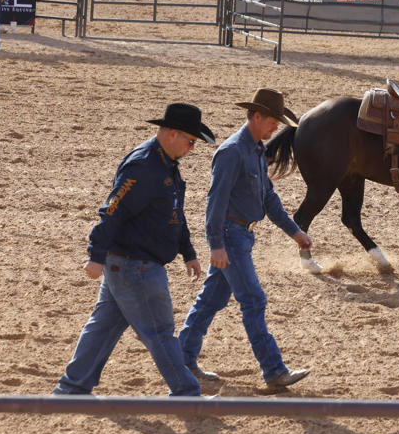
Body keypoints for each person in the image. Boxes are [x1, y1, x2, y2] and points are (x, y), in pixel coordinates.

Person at [53, 103, 215, 397]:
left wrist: (187, 251)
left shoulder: (165, 163)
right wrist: (95, 255)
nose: (193, 148)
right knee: (160, 331)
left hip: (129, 264)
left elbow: (174, 213)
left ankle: (71, 389)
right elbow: (112, 211)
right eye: (191, 141)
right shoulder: (144, 167)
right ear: (172, 134)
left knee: (103, 328)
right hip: (134, 265)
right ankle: (187, 394)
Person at [179, 88, 313, 389]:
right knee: (253, 299)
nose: (276, 127)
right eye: (273, 121)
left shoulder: (254, 150)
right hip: (231, 236)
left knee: (211, 300)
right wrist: (216, 245)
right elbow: (214, 201)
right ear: (256, 116)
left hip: (241, 236)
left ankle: (182, 359)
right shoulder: (231, 152)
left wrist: (295, 232)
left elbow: (269, 199)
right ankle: (274, 370)